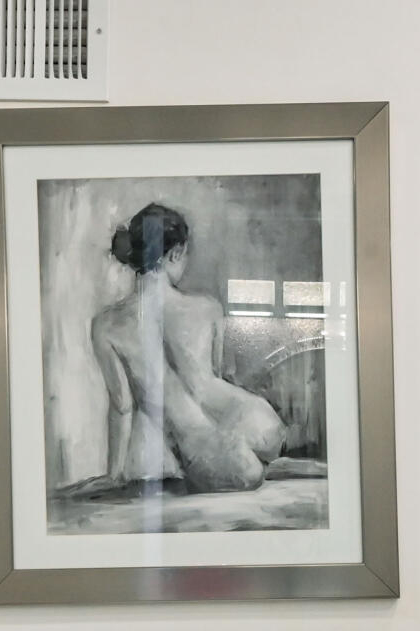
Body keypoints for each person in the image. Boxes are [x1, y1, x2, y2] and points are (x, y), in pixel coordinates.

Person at [91, 203, 285, 493]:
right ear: (176, 253)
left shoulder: (107, 325)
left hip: (209, 452)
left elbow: (123, 407)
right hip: (260, 419)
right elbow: (214, 377)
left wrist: (115, 474)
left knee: (233, 461)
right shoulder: (208, 308)